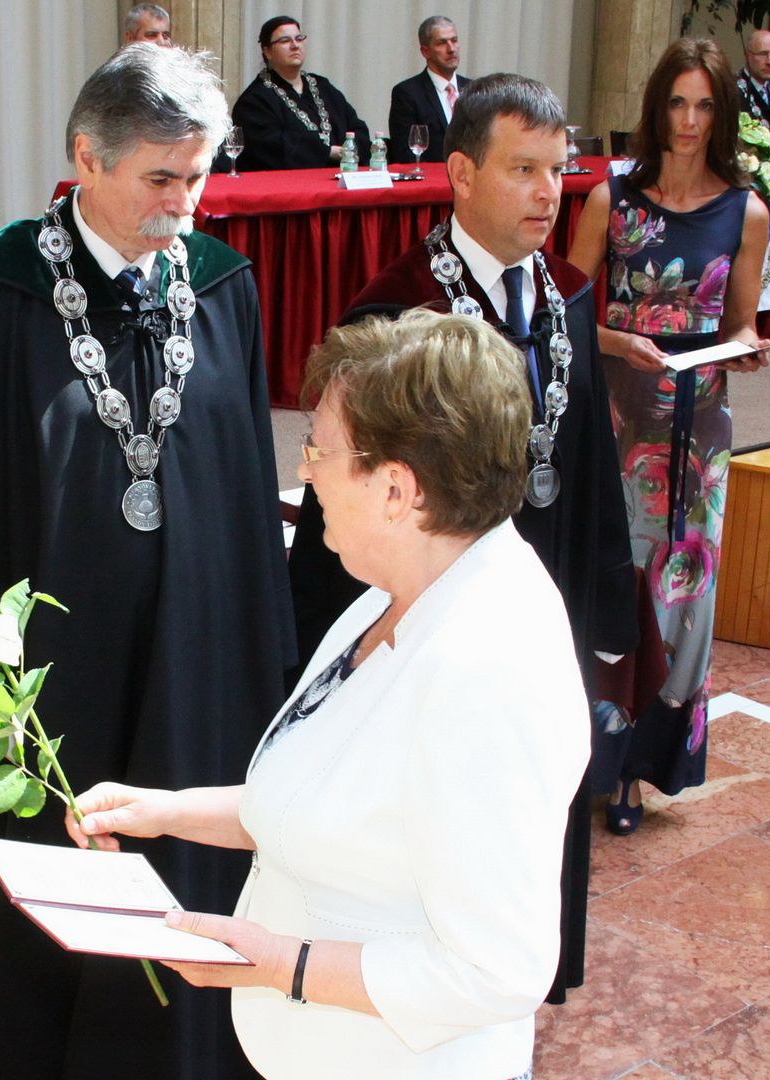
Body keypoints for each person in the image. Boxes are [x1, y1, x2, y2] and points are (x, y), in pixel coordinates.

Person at [0, 44, 294, 1080]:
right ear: (86, 157)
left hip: (193, 663)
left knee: (185, 879)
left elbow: (246, 485)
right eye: (160, 178)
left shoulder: (223, 287)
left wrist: (263, 658)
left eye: (198, 177)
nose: (183, 206)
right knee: (61, 907)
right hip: (59, 675)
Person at [67, 309, 591, 1080]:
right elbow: (335, 806)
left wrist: (282, 964)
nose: (305, 472)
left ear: (396, 489)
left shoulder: (489, 668)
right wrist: (165, 811)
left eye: (319, 451)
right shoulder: (395, 590)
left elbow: (499, 972)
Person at [288, 72, 636, 1005]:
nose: (548, 193)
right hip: (429, 619)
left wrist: (607, 603)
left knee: (527, 802)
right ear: (461, 174)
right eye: (523, 169)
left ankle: (523, 971)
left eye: (558, 170)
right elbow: (350, 502)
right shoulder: (396, 318)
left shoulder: (566, 295)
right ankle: (433, 979)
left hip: (543, 592)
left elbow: (589, 455)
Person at [569, 38, 770, 837]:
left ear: (722, 114)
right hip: (620, 413)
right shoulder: (612, 199)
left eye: (705, 105)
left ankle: (640, 771)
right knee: (612, 581)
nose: (689, 121)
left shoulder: (746, 211)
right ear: (659, 107)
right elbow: (565, 311)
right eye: (678, 103)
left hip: (700, 425)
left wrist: (746, 347)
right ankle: (590, 754)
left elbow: (742, 320)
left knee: (684, 594)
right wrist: (622, 343)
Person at [231, 15, 371, 170]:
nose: (295, 45)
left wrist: (351, 149)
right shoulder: (254, 101)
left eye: (299, 39)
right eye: (285, 41)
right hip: (291, 182)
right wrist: (326, 153)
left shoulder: (323, 86)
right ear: (267, 51)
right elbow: (270, 148)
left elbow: (358, 128)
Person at [388, 14, 470, 165]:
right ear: (425, 51)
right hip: (432, 176)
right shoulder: (407, 93)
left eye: (454, 40)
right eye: (442, 43)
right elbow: (405, 154)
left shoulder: (474, 90)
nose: (451, 49)